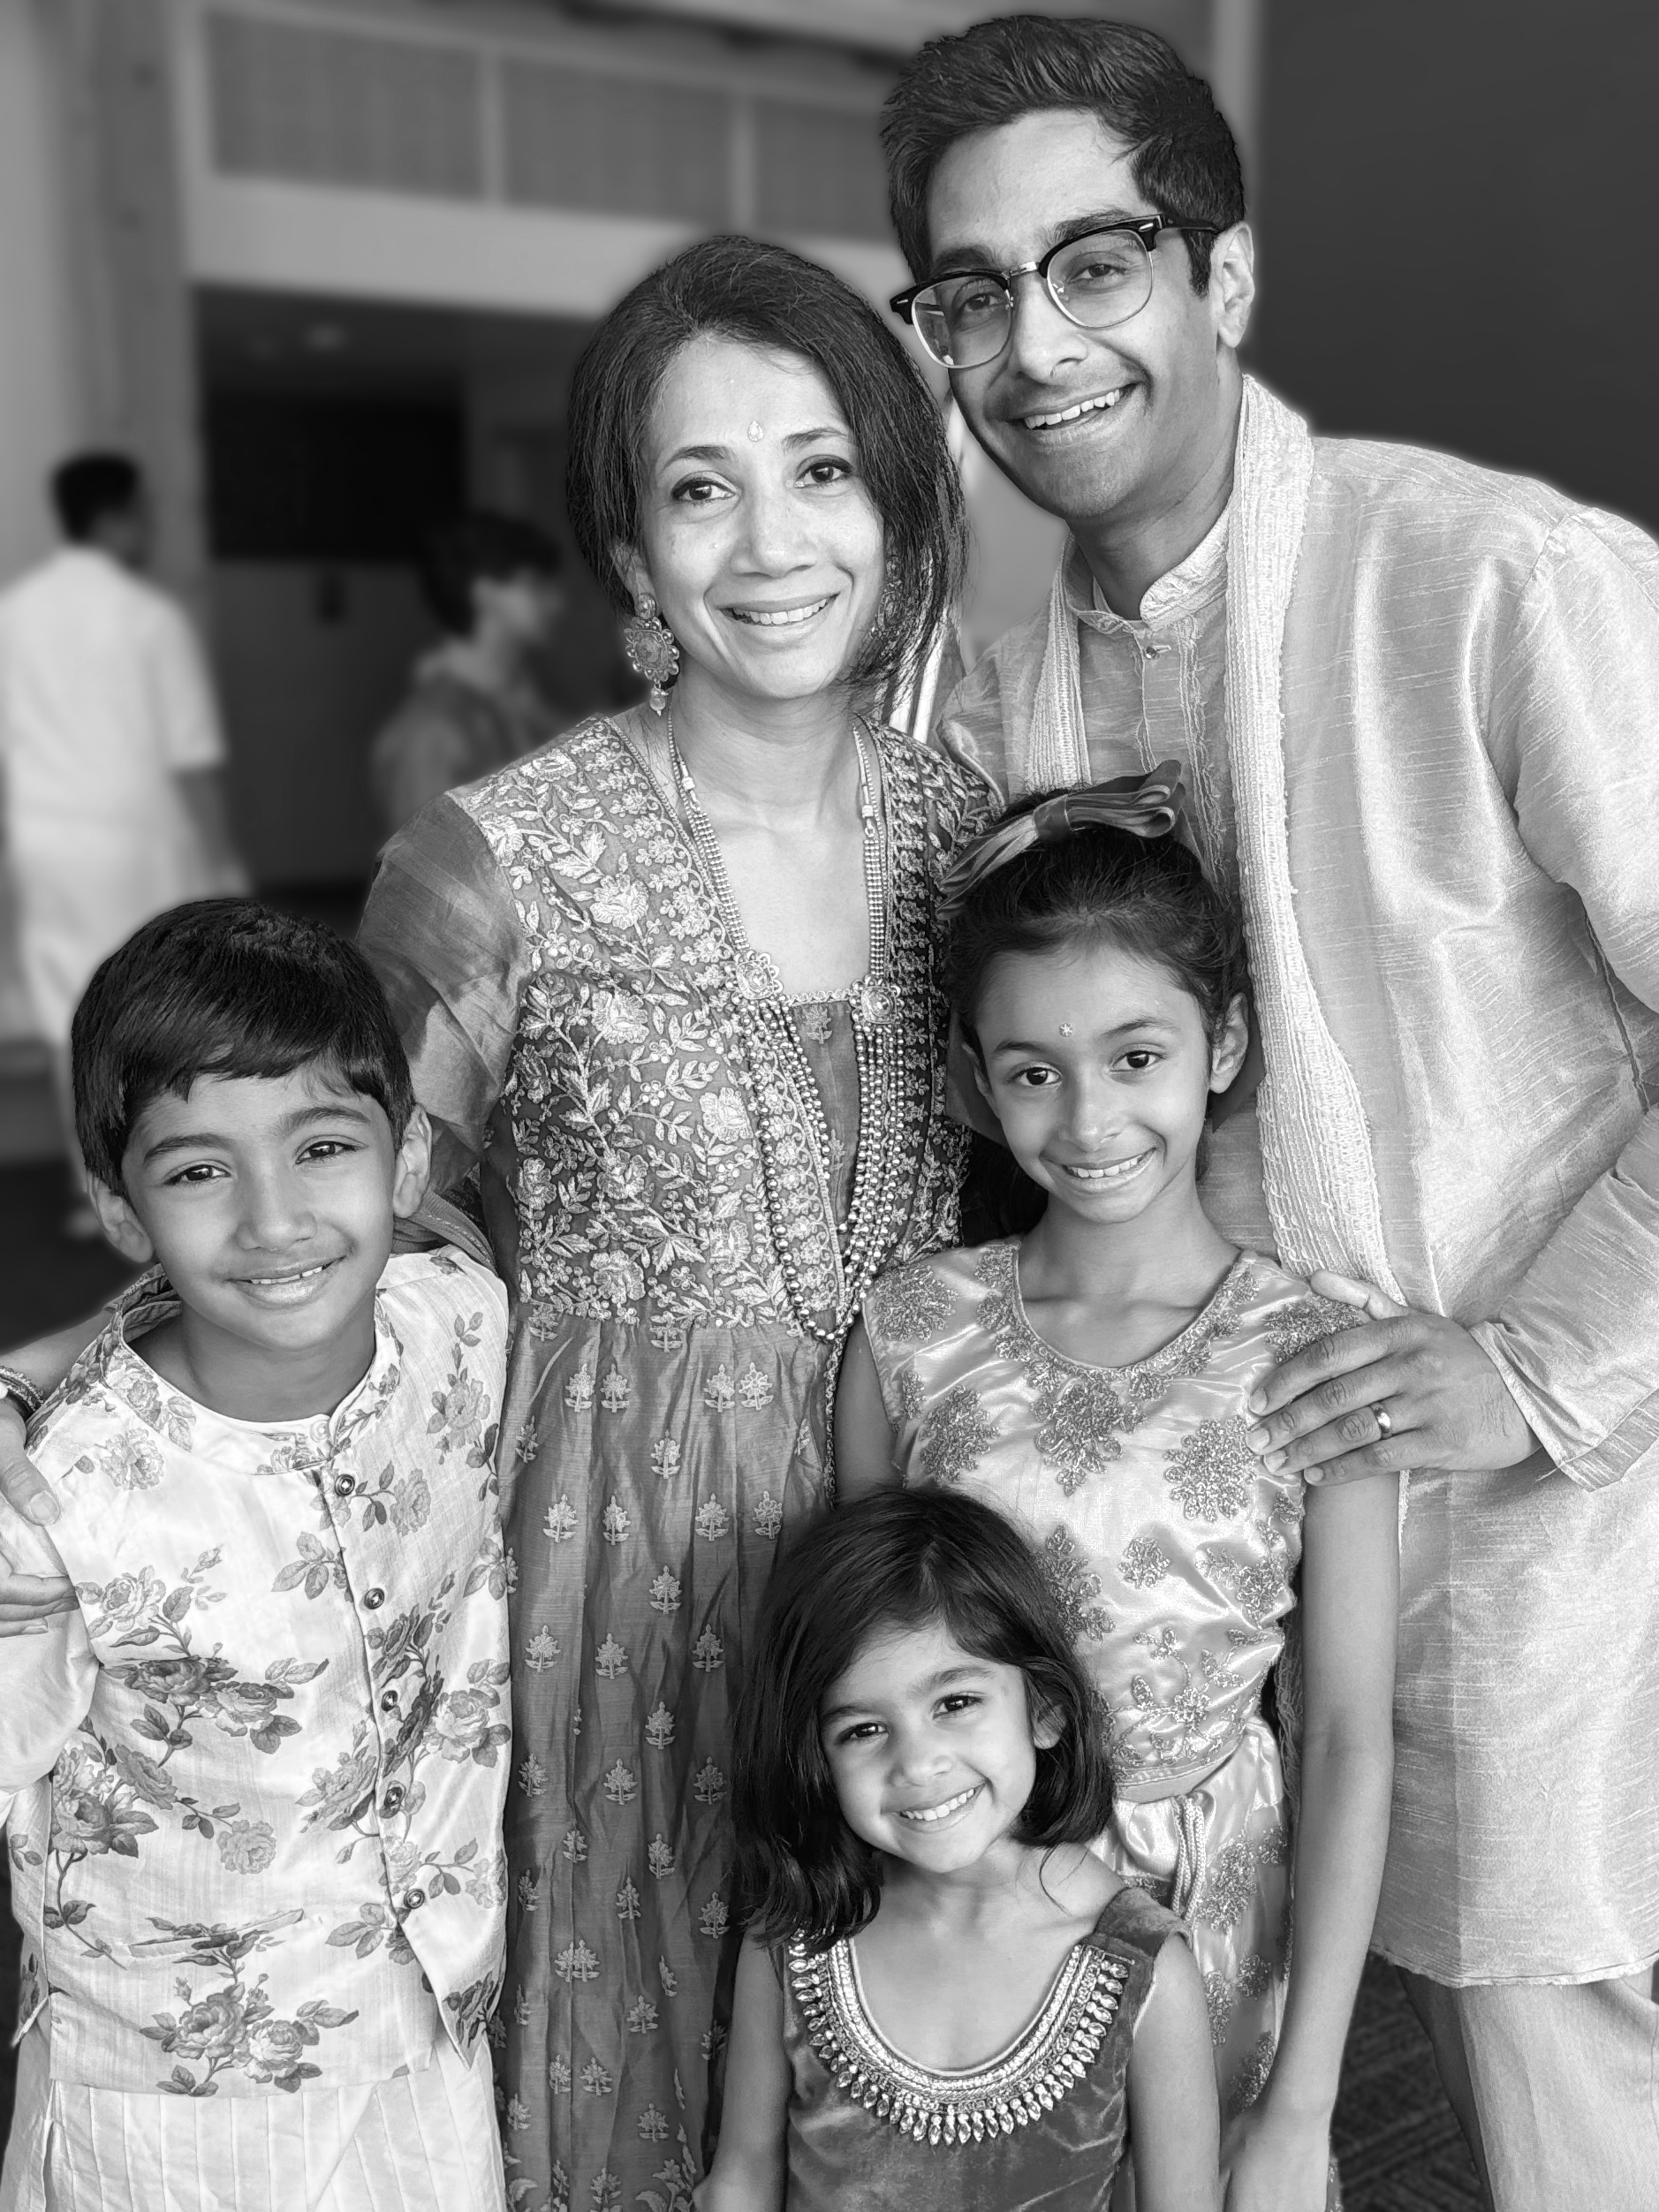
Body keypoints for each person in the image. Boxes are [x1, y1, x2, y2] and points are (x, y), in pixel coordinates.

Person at [881, 18, 1659, 2208]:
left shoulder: (1490, 582)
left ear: (1222, 279)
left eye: (1097, 263)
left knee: (1561, 2113)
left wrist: (1537, 1361)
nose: (1032, 345)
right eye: (970, 292)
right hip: (1186, 1589)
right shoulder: (1009, 688)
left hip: (1527, 1525)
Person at [836, 792, 1397, 2209]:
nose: (1087, 1119)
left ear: (1227, 1045)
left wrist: (1302, 2106)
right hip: (967, 1921)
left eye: (1134, 1056)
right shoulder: (908, 1334)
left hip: (1220, 1928)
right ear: (969, 1079)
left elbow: (1340, 1734)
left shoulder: (1313, 1352)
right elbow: (858, 1685)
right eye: (1032, 1072)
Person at [0, 901, 511, 2211]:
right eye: (196, 1172)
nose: (276, 1219)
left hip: (429, 2031)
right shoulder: (54, 1500)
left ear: (404, 1171)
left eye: (324, 1147)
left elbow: (462, 1229)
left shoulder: (459, 1320)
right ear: (122, 1215)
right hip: (176, 2112)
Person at [700, 1486, 1218, 2212]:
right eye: (863, 1730)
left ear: (1044, 1709)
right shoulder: (794, 1938)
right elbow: (742, 2179)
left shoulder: (1141, 1968)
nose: (917, 1764)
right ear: (814, 1759)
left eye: (954, 1703)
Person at [0, 451, 246, 1231]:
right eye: (144, 511)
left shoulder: (13, 613)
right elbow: (192, 755)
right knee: (161, 1011)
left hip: (46, 841)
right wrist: (223, 863)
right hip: (139, 840)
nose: (151, 527)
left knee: (69, 1012)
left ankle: (96, 1196)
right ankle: (182, 1178)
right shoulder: (148, 618)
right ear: (115, 518)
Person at [370, 511, 565, 836]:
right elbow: (425, 870)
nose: (557, 602)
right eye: (535, 584)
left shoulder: (528, 703)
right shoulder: (433, 729)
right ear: (485, 593)